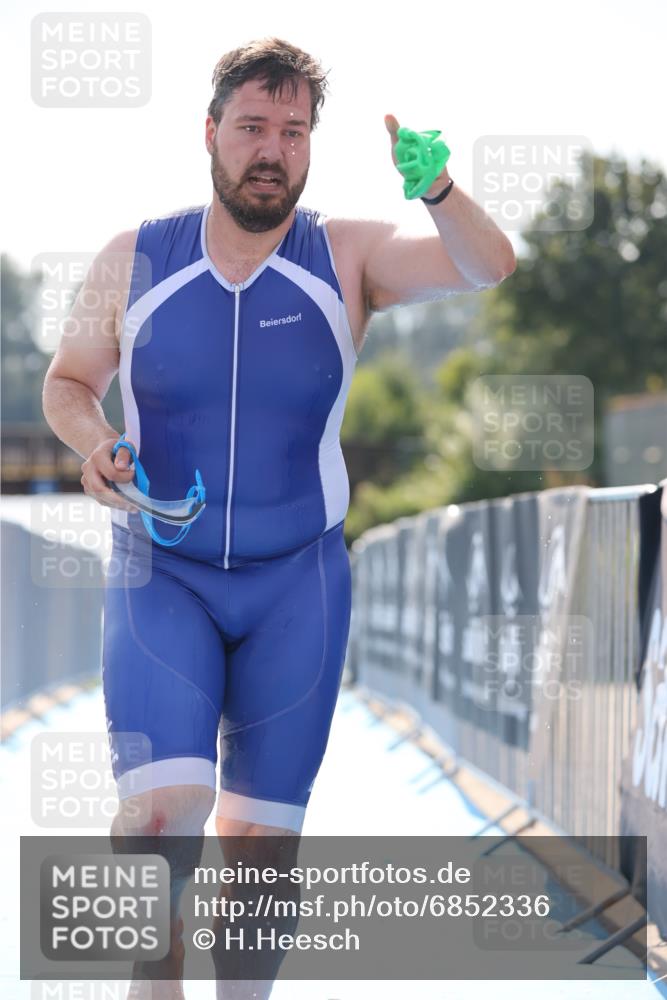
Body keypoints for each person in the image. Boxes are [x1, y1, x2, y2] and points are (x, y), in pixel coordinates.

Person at [41, 36, 515, 1000]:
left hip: (297, 583)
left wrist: (440, 190)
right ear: (210, 133)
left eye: (293, 131)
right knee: (163, 818)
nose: (273, 149)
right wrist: (93, 443)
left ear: (310, 145)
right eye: (253, 126)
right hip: (160, 572)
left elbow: (485, 266)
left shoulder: (350, 256)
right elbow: (68, 382)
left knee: (257, 850)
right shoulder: (134, 257)